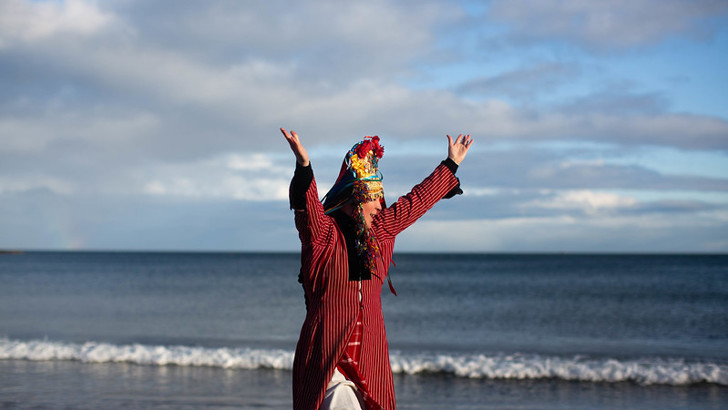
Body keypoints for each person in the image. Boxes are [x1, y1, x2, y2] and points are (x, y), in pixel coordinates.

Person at [281, 127, 473, 410]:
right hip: (326, 358)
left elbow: (416, 202)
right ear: (351, 202)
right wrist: (304, 167)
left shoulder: (381, 233)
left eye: (380, 197)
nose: (379, 204)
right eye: (372, 198)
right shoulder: (324, 236)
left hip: (368, 356)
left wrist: (450, 164)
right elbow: (308, 211)